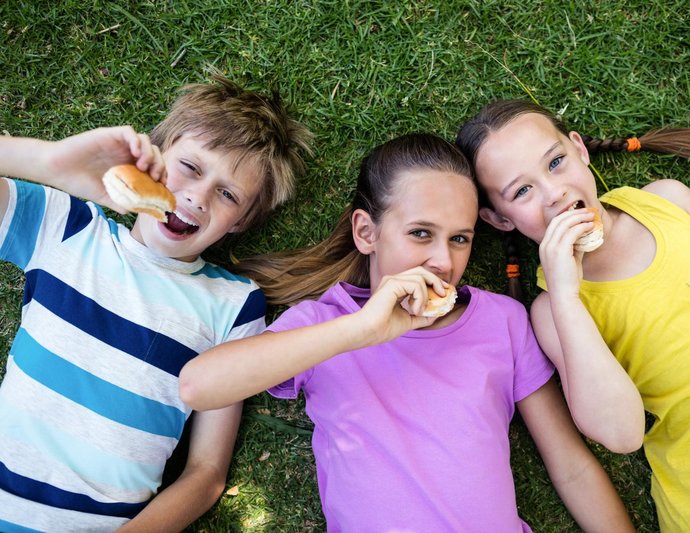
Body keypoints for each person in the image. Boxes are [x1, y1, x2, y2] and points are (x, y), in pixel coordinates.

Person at [179, 133, 634, 532]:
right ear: (366, 232)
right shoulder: (324, 325)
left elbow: (570, 467)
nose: (443, 261)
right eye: (420, 233)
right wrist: (362, 329)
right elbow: (200, 385)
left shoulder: (503, 321)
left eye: (460, 238)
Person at [455, 98, 690, 533]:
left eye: (556, 162)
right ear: (499, 219)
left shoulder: (666, 202)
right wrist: (565, 295)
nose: (554, 193)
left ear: (580, 150)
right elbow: (621, 435)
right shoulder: (553, 311)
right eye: (521, 192)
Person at [0, 76, 312, 532]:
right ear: (155, 154)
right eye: (189, 166)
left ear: (242, 221)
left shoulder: (234, 305)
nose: (198, 197)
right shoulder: (63, 225)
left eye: (228, 194)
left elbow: (206, 475)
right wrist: (48, 161)